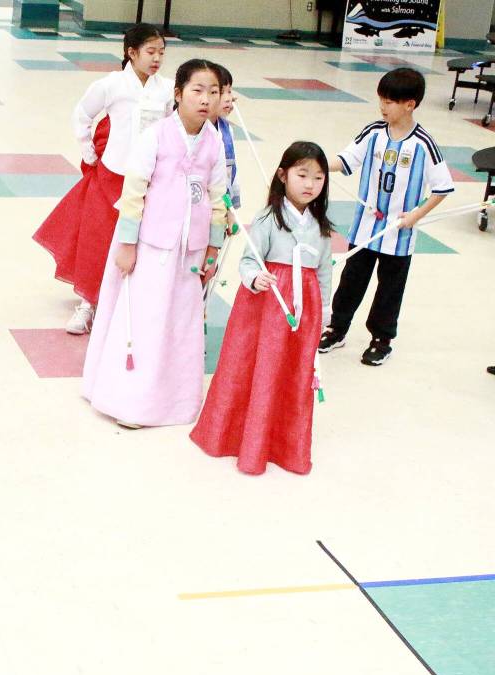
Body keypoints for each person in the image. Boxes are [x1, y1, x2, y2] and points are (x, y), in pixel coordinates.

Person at [82, 59, 226, 428]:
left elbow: (218, 196)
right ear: (177, 95)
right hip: (151, 247)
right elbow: (133, 194)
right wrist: (127, 245)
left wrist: (212, 248)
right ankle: (131, 402)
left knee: (179, 326)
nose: (206, 99)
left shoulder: (214, 141)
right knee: (144, 321)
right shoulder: (156, 135)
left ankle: (176, 403)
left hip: (189, 253)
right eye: (197, 90)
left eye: (214, 91)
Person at [191, 141, 333, 475]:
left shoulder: (321, 226)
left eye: (318, 178)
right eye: (302, 175)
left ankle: (284, 446)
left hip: (302, 308)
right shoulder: (269, 218)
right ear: (283, 175)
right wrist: (255, 278)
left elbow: (325, 271)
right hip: (268, 305)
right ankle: (242, 440)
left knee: (294, 372)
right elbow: (249, 259)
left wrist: (325, 309)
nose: (310, 184)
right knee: (259, 368)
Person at [32, 23, 172, 334]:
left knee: (140, 238)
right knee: (100, 238)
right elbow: (82, 115)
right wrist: (90, 154)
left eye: (161, 53)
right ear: (131, 53)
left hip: (150, 176)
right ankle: (88, 303)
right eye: (150, 52)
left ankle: (132, 303)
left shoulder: (166, 89)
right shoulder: (111, 85)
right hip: (112, 173)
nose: (157, 59)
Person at [319, 67, 454, 366]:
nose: (383, 107)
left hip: (399, 233)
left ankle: (381, 339)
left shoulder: (424, 143)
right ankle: (336, 328)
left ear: (410, 104)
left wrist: (416, 215)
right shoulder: (373, 132)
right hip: (365, 228)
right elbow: (345, 160)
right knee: (351, 280)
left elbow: (442, 187)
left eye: (390, 102)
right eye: (381, 100)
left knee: (390, 289)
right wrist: (314, 164)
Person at [209, 63, 241, 209]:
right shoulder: (194, 130)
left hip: (222, 203)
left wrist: (231, 208)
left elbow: (232, 170)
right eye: (222, 92)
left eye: (229, 91)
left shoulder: (227, 130)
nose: (228, 98)